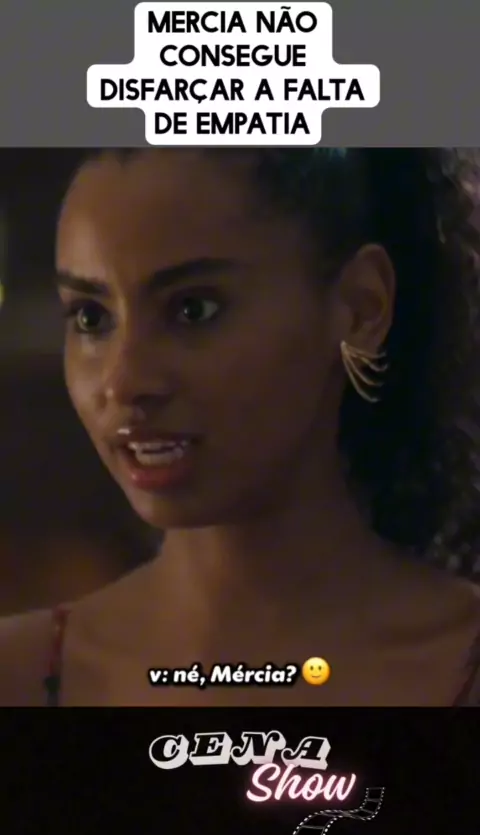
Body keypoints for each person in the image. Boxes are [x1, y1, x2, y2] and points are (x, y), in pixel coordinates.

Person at [1, 146, 480, 707]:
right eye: (91, 317)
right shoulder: (23, 675)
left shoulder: (458, 666)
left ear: (360, 308)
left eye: (194, 309)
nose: (124, 381)